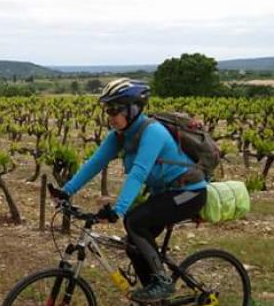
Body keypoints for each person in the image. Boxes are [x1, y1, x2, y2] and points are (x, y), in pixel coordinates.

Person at [53, 78, 208, 303]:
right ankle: (153, 297)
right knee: (133, 245)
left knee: (135, 221)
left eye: (115, 110)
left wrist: (119, 210)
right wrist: (66, 191)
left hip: (190, 193)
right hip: (164, 193)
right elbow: (94, 163)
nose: (110, 116)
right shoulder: (119, 136)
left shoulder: (153, 132)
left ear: (133, 108)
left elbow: (139, 172)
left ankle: (162, 282)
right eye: (108, 110)